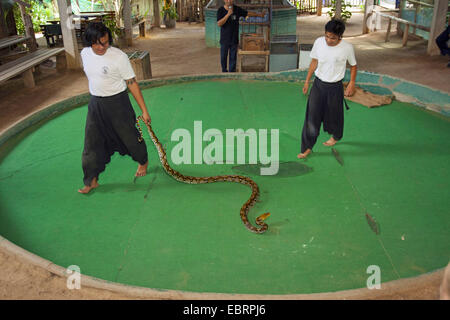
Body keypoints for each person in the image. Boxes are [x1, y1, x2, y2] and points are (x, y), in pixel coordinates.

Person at [78, 22, 151, 194]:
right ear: (89, 42)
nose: (102, 47)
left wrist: (144, 110)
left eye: (105, 42)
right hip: (96, 104)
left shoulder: (118, 57)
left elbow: (131, 83)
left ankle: (143, 160)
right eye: (97, 43)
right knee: (91, 143)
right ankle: (91, 180)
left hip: (118, 103)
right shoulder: (85, 54)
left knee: (130, 138)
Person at [297, 19, 357, 159]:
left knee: (334, 116)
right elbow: (314, 62)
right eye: (327, 36)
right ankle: (307, 147)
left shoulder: (347, 48)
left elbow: (353, 66)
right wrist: (307, 81)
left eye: (333, 38)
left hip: (335, 87)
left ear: (340, 36)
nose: (329, 40)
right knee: (312, 117)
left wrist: (351, 83)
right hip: (318, 85)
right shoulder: (319, 42)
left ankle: (336, 136)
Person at [217, 0, 265, 72]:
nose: (229, 1)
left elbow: (247, 13)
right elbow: (219, 24)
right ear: (224, 0)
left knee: (233, 58)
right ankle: (224, 72)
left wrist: (259, 15)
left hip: (234, 39)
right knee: (223, 57)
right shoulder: (220, 10)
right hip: (224, 40)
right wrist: (228, 14)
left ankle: (232, 73)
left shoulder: (237, 9)